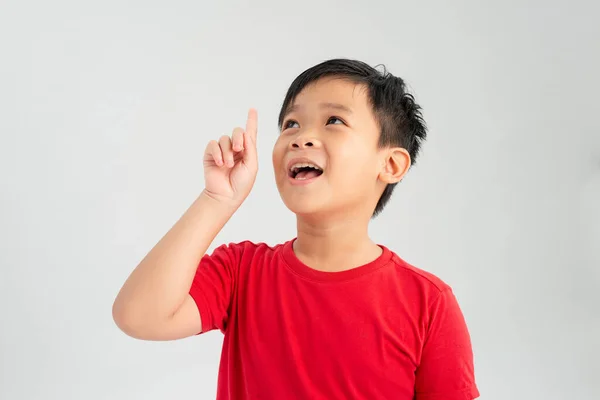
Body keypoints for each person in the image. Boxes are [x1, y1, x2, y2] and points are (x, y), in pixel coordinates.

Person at [112, 59, 479, 399]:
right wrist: (216, 199)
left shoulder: (428, 303)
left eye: (334, 121)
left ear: (392, 164)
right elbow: (139, 316)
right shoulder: (241, 272)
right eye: (291, 124)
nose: (300, 138)